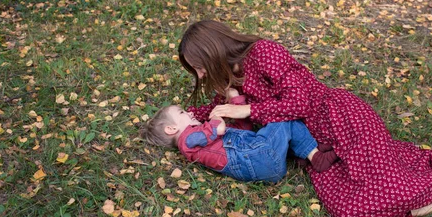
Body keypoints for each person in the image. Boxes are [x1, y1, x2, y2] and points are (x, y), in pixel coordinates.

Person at [178, 20, 432, 217]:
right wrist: (181, 123)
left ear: (211, 52)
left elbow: (299, 103)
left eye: (198, 67)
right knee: (351, 211)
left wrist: (245, 109)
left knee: (385, 183)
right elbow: (209, 112)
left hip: (341, 118)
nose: (201, 76)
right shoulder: (230, 81)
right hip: (318, 148)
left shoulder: (264, 54)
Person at [140, 89, 339, 183]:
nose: (190, 113)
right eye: (183, 113)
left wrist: (235, 101)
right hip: (258, 158)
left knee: (278, 125)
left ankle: (303, 154)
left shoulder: (198, 141)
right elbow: (217, 129)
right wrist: (216, 117)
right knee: (282, 119)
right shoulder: (188, 140)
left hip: (262, 167)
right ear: (171, 129)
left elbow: (245, 133)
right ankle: (315, 157)